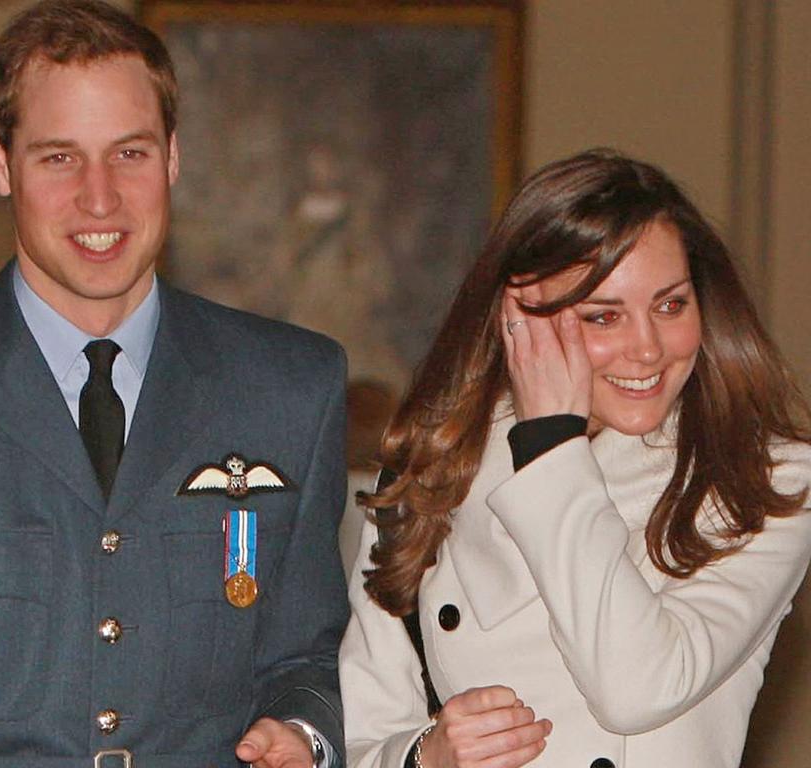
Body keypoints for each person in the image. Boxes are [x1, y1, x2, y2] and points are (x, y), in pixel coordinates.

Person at [0, 1, 349, 766]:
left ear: (174, 158)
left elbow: (308, 658)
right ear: (0, 164)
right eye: (59, 157)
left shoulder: (292, 389)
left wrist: (305, 738)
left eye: (130, 154)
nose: (99, 198)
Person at [340, 148, 811, 768]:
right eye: (604, 316)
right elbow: (359, 738)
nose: (647, 349)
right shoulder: (428, 475)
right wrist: (424, 755)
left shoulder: (767, 478)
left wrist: (551, 447)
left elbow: (638, 689)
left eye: (671, 305)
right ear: (520, 317)